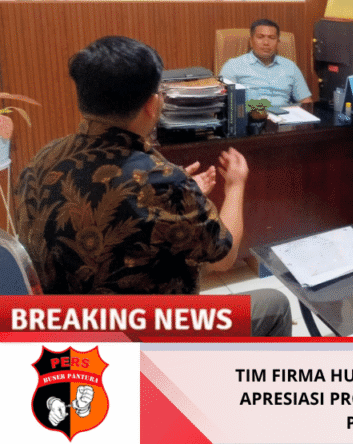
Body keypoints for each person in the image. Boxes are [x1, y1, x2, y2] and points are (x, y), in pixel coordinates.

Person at [14, 36, 292, 337]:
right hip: (147, 337)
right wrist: (235, 186)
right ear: (151, 103)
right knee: (275, 303)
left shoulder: (40, 160)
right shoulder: (161, 181)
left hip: (69, 334)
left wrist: (184, 196)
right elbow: (224, 257)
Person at [219, 18, 312, 107]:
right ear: (251, 41)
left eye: (272, 38)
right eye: (260, 37)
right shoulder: (233, 66)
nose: (266, 42)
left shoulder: (290, 66)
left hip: (284, 115)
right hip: (251, 115)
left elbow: (305, 101)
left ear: (278, 41)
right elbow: (222, 101)